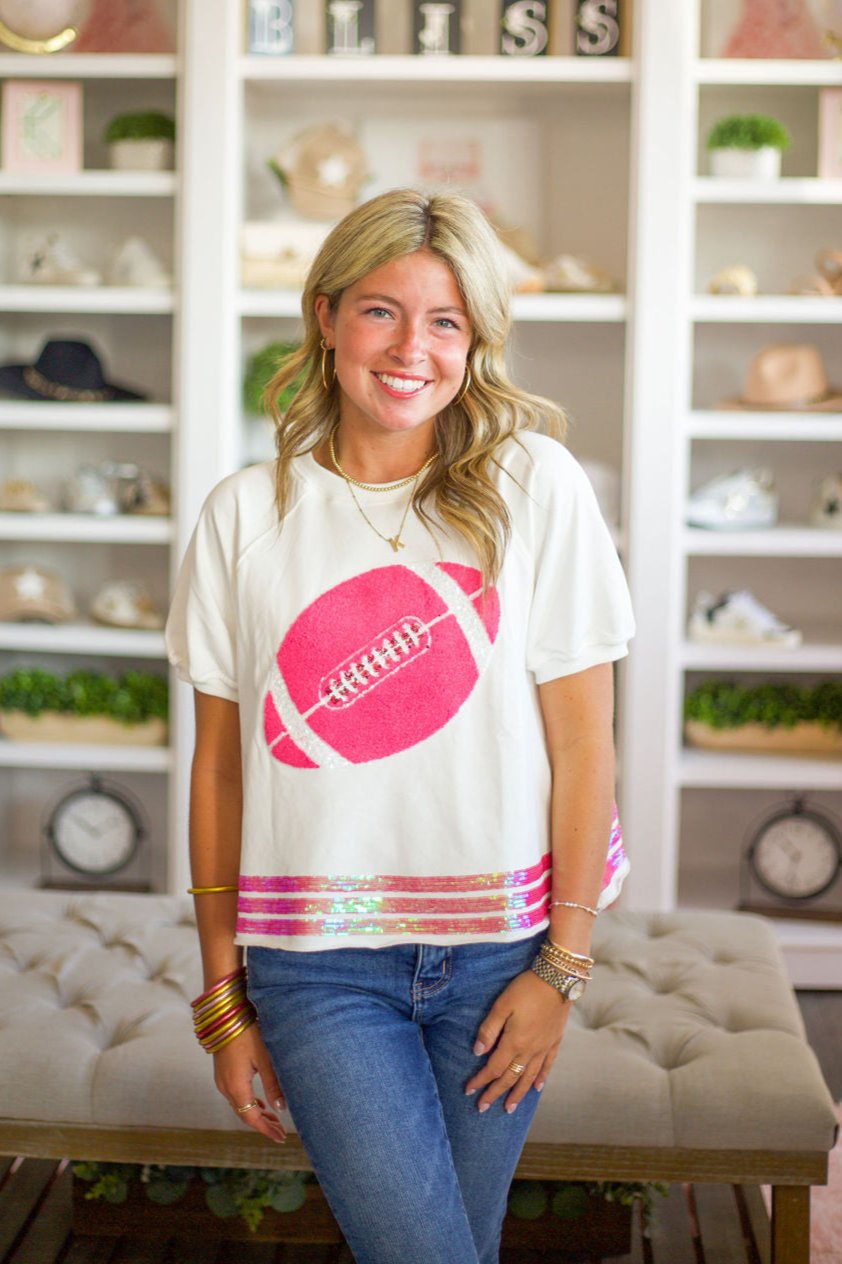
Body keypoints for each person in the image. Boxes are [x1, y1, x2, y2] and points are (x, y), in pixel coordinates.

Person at [166, 187, 634, 1264]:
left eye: (445, 321)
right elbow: (221, 770)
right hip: (317, 968)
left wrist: (561, 969)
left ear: (474, 341)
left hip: (500, 961)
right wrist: (223, 998)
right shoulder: (245, 515)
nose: (409, 348)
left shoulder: (535, 487)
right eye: (380, 310)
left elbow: (582, 745)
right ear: (326, 316)